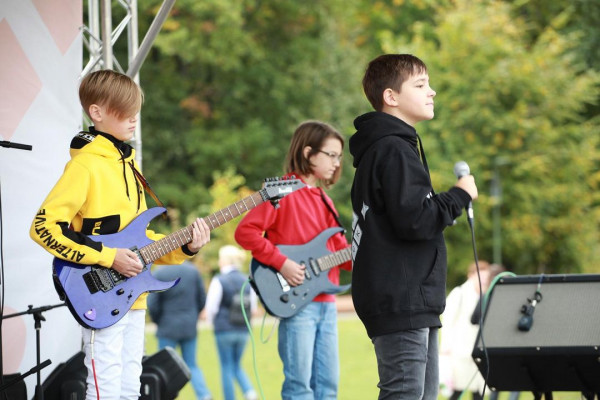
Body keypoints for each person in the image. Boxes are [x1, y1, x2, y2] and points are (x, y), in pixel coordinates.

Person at [29, 69, 211, 400]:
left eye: (135, 113)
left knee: (129, 388)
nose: (133, 121)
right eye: (125, 113)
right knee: (105, 387)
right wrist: (108, 256)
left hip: (135, 296)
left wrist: (186, 247)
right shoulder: (84, 166)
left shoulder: (130, 166)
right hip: (101, 293)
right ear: (96, 112)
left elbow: (142, 244)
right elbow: (43, 226)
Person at [349, 54, 478, 399]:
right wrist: (459, 196)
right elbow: (416, 220)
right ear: (391, 97)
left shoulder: (390, 148)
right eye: (421, 85)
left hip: (410, 299)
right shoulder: (392, 149)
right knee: (405, 394)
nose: (431, 92)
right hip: (401, 298)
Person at [234, 120, 352, 400]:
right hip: (298, 303)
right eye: (331, 155)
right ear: (309, 153)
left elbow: (344, 257)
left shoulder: (325, 199)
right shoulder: (281, 190)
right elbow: (245, 232)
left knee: (328, 390)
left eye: (339, 157)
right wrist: (282, 263)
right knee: (299, 389)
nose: (337, 163)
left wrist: (376, 250)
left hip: (327, 303)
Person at [147, 261, 212, 400]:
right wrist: (193, 317)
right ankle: (204, 395)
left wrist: (158, 321)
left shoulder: (160, 272)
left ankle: (164, 396)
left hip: (167, 325)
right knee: (191, 364)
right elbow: (202, 298)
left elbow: (153, 304)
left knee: (164, 367)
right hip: (189, 326)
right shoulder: (193, 271)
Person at [204, 245, 258, 400]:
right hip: (243, 330)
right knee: (236, 364)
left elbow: (211, 307)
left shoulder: (219, 280)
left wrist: (210, 322)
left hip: (224, 330)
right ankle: (250, 392)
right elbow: (253, 307)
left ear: (224, 260)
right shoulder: (248, 281)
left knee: (226, 366)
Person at [439, 261, 491, 400]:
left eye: (486, 278)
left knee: (478, 392)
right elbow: (447, 322)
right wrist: (445, 348)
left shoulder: (486, 296)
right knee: (457, 391)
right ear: (471, 275)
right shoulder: (459, 293)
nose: (484, 281)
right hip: (459, 352)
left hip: (478, 352)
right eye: (481, 277)